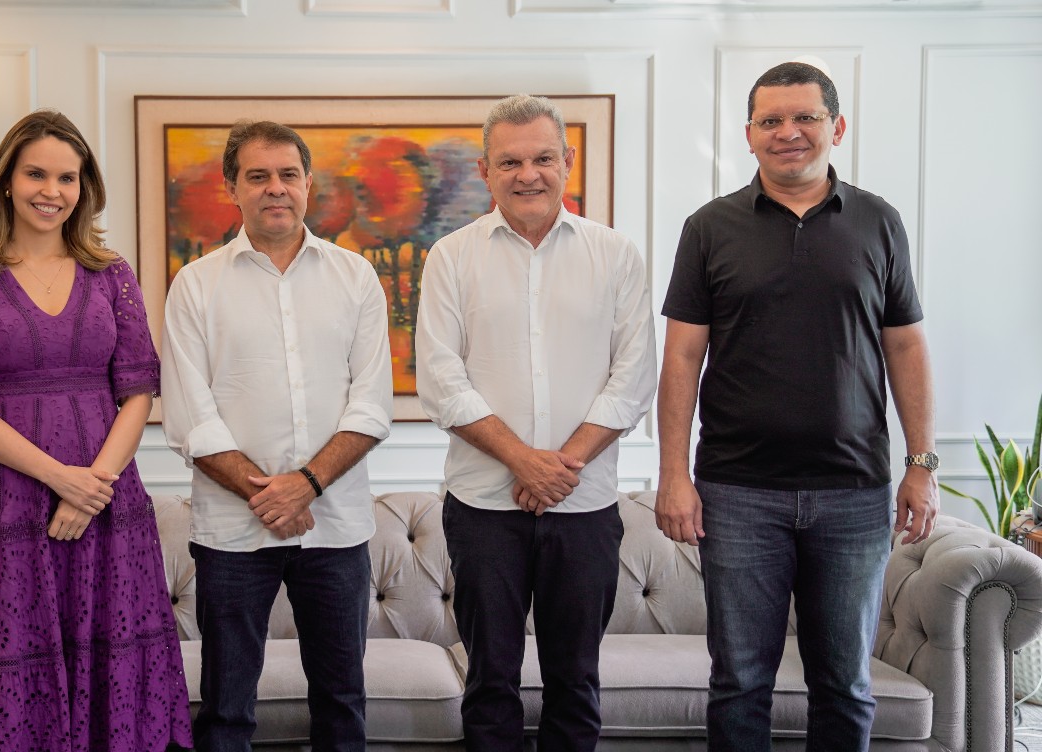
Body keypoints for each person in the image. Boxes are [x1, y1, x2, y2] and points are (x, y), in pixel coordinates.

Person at [655, 62, 939, 751]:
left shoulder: (879, 222)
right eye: (771, 120)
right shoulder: (709, 227)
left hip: (854, 494)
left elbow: (905, 347)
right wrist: (674, 476)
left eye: (805, 117)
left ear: (836, 127)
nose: (789, 132)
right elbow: (683, 358)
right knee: (740, 682)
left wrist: (922, 464)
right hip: (738, 491)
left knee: (843, 686)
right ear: (749, 136)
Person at [0, 109, 193, 752]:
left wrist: (94, 488)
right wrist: (61, 479)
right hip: (6, 502)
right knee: (13, 659)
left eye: (68, 177)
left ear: (84, 188)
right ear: (6, 178)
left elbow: (139, 389)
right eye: (36, 173)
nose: (51, 191)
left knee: (109, 657)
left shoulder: (111, 272)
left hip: (108, 503)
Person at [414, 94, 657, 751]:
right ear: (487, 172)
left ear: (567, 163)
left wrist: (560, 468)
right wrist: (524, 461)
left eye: (543, 158)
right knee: (489, 681)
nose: (529, 174)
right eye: (511, 162)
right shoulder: (451, 258)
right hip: (483, 506)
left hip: (586, 509)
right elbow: (441, 380)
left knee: (575, 683)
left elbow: (633, 376)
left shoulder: (617, 256)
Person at [161, 120, 392, 751]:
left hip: (336, 526)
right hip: (232, 534)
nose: (275, 189)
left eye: (288, 175)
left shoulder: (355, 278)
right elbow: (189, 417)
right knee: (228, 709)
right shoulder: (195, 285)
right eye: (257, 176)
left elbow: (370, 406)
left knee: (342, 703)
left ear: (308, 184)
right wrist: (271, 495)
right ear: (231, 188)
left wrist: (306, 486)